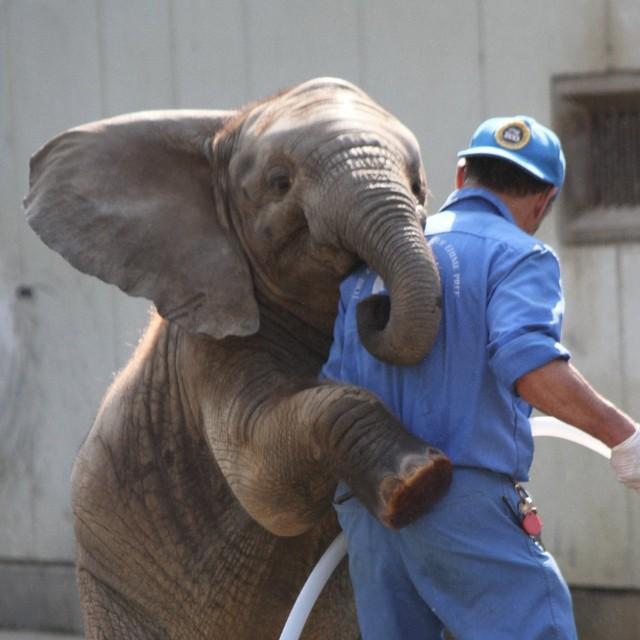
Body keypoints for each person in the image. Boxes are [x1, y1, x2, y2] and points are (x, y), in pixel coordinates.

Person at [321, 115, 640, 639]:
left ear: (462, 175)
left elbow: (331, 393)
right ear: (543, 200)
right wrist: (622, 437)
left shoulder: (370, 267)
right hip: (455, 496)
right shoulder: (518, 255)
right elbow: (530, 367)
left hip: (368, 504)